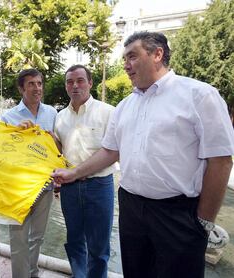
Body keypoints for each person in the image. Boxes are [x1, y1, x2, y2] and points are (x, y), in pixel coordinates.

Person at [53, 32, 234, 278]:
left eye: (132, 57)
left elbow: (221, 160)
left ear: (157, 54)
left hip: (178, 214)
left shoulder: (200, 96)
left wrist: (204, 221)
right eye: (125, 58)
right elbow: (109, 151)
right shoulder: (126, 106)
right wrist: (72, 173)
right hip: (131, 208)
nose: (126, 65)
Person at [53, 64, 116, 278]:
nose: (75, 85)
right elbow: (58, 151)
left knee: (99, 247)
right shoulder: (60, 117)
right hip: (69, 189)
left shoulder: (108, 113)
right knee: (75, 241)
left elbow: (114, 151)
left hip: (99, 185)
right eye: (69, 82)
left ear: (90, 83)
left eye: (80, 80)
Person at [1, 68, 57, 278]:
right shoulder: (9, 116)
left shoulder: (51, 113)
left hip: (44, 184)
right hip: (17, 187)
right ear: (21, 89)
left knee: (38, 237)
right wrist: (16, 134)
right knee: (18, 239)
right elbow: (2, 153)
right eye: (31, 84)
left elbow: (58, 149)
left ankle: (32, 273)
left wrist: (53, 139)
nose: (37, 88)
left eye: (39, 83)